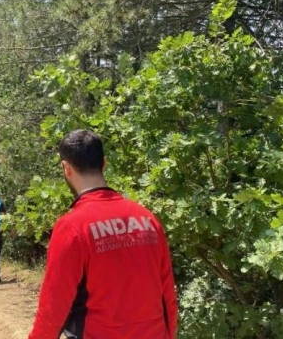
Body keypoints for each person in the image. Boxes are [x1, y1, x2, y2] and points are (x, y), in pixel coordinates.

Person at [28, 130, 178, 339]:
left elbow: (53, 308)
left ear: (66, 168)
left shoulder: (72, 227)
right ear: (104, 163)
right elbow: (167, 295)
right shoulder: (147, 219)